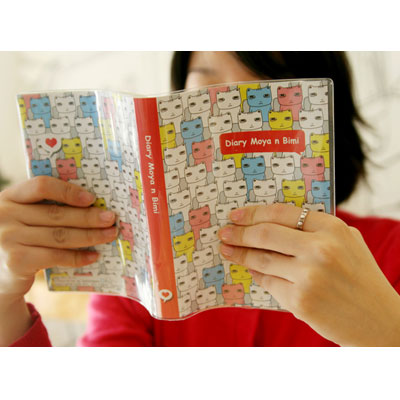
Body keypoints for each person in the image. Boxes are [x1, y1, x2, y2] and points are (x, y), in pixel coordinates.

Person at [1, 51, 400, 347]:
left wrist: (385, 333)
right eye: (205, 92)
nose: (232, 116)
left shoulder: (389, 254)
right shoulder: (142, 270)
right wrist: (5, 303)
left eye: (267, 92)